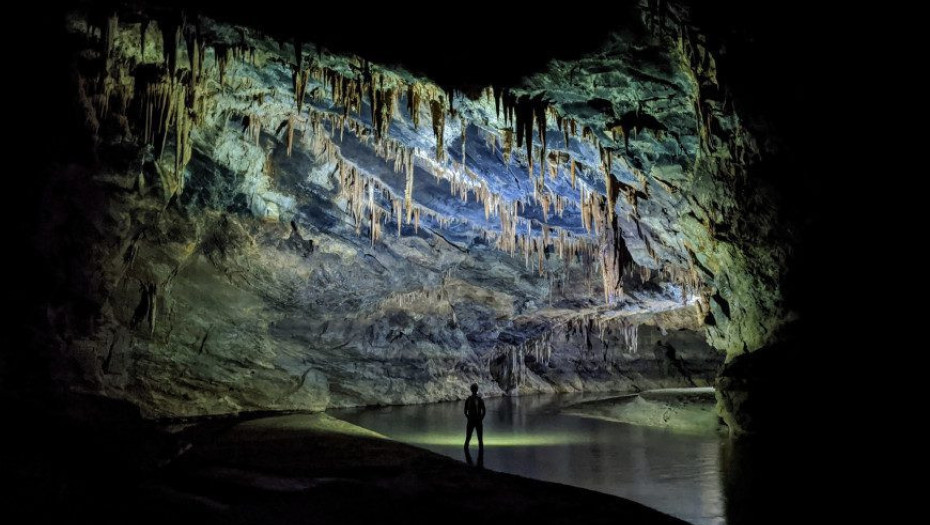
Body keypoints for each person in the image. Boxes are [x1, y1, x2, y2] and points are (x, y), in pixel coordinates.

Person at [463, 383, 486, 451]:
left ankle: (467, 453)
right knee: (479, 439)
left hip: (472, 420)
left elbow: (465, 410)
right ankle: (480, 456)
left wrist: (468, 416)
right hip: (476, 420)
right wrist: (481, 418)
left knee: (468, 438)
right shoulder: (478, 399)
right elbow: (484, 410)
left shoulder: (470, 399)